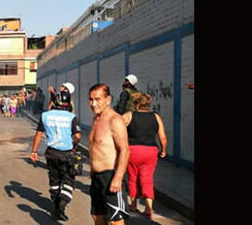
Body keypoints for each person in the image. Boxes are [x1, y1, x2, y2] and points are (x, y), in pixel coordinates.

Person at [30, 88, 82, 221]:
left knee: (54, 179)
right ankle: (61, 205)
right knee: (68, 180)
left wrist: (34, 151)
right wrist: (74, 145)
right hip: (67, 153)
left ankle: (55, 203)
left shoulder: (45, 115)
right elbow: (77, 136)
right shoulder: (72, 117)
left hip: (51, 153)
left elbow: (38, 134)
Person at [88, 84, 131, 224]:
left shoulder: (115, 120)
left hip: (111, 175)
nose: (93, 104)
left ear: (108, 99)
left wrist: (118, 177)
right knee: (97, 217)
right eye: (91, 99)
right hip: (96, 177)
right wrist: (92, 170)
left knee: (115, 220)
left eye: (97, 99)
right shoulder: (96, 119)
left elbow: (124, 149)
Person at [122, 92, 168, 219]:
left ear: (136, 104)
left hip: (133, 151)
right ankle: (148, 208)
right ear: (148, 104)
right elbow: (162, 137)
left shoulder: (129, 115)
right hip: (150, 152)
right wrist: (163, 150)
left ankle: (133, 205)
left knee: (132, 177)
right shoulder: (156, 117)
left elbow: (117, 129)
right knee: (147, 179)